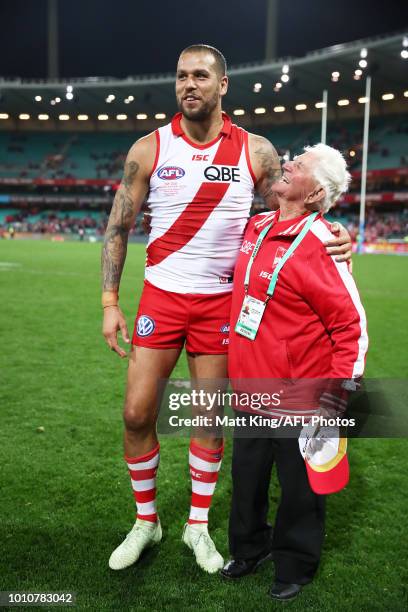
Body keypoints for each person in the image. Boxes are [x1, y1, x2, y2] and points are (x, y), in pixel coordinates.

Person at [101, 45, 352, 575]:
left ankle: (198, 525)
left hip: (221, 304)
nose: (187, 85)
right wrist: (109, 301)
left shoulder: (255, 152)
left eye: (199, 76)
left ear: (222, 85)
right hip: (161, 297)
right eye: (180, 76)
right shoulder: (149, 148)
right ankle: (147, 521)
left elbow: (292, 208)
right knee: (136, 413)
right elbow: (118, 226)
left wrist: (336, 231)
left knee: (207, 418)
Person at [221, 144, 368, 600]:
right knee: (246, 477)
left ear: (316, 192)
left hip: (301, 392)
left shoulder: (323, 244)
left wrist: (338, 396)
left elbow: (352, 326)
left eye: (299, 166)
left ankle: (295, 564)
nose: (288, 165)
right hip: (249, 386)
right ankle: (249, 548)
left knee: (299, 488)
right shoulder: (257, 225)